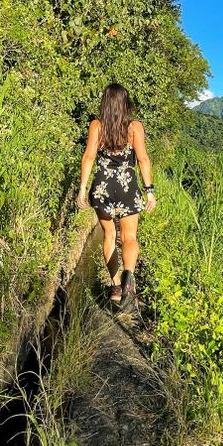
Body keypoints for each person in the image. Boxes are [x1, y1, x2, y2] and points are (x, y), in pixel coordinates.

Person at [76, 84, 156, 311]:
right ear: (125, 104)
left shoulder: (96, 126)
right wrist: (149, 190)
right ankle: (129, 280)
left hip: (102, 187)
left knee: (109, 235)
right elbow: (143, 160)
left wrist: (82, 188)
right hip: (127, 186)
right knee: (129, 236)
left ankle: (116, 285)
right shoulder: (134, 127)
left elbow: (89, 157)